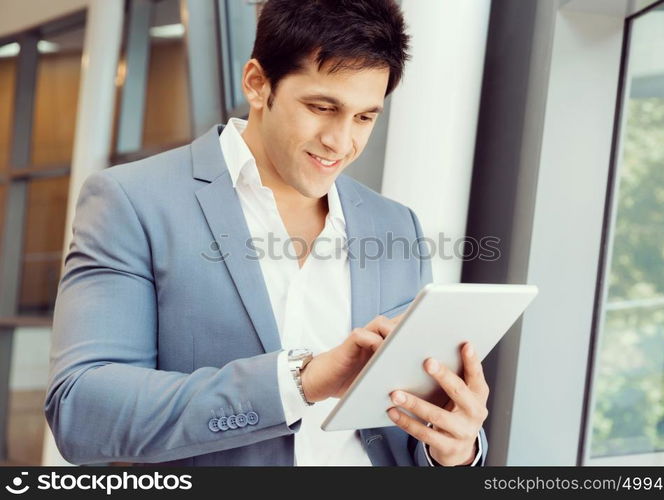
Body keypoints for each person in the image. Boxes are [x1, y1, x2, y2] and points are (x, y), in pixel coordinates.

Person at [44, 0, 489, 466]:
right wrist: (300, 381)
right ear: (257, 84)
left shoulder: (397, 226)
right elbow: (81, 410)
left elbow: (404, 424)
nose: (341, 142)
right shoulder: (133, 201)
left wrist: (453, 449)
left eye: (364, 117)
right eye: (322, 107)